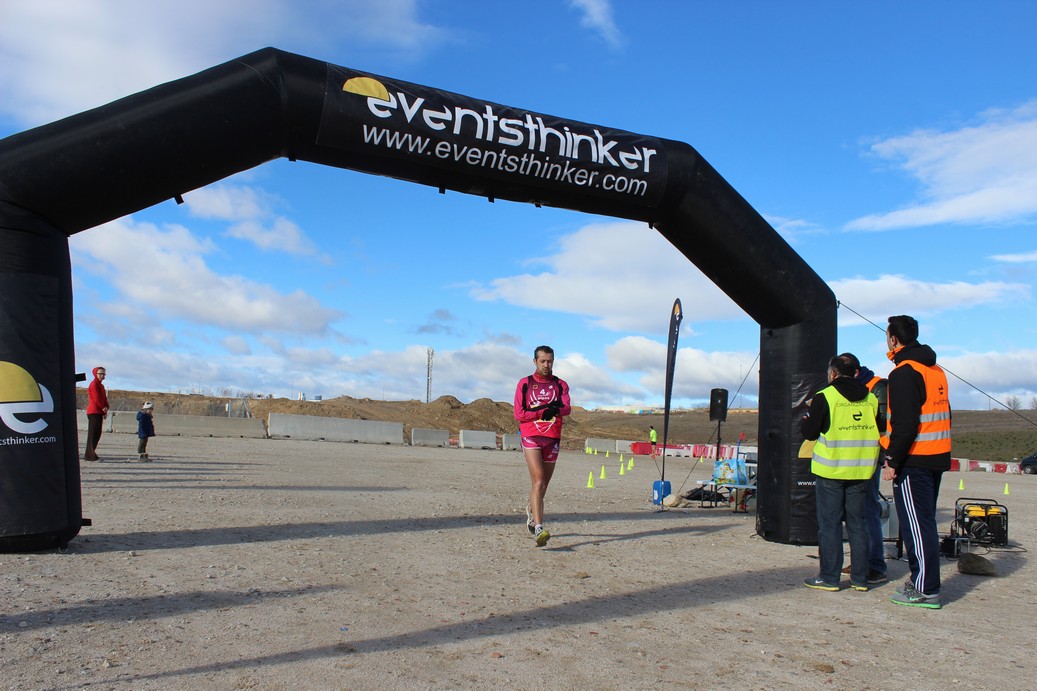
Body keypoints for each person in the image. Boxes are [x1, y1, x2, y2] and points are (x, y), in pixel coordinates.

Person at [881, 315, 951, 609]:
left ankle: (925, 588)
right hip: (936, 456)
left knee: (916, 527)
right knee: (925, 522)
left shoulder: (903, 373)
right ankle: (922, 580)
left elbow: (905, 424)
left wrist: (892, 460)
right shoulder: (935, 370)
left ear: (894, 339)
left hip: (914, 460)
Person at [800, 354, 880, 592]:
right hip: (861, 470)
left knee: (830, 524)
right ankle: (860, 578)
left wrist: (807, 418)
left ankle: (829, 577)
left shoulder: (825, 396)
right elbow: (879, 428)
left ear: (832, 373)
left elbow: (810, 433)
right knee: (858, 524)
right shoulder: (871, 399)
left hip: (831, 470)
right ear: (856, 373)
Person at [514, 345, 571, 547]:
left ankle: (532, 510)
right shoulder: (525, 383)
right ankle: (538, 528)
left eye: (550, 361)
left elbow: (567, 408)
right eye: (543, 361)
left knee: (543, 485)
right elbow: (519, 414)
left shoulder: (560, 384)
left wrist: (555, 410)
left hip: (552, 438)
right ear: (535, 361)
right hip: (531, 436)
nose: (546, 365)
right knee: (538, 480)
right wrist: (542, 411)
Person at [839, 352, 889, 584]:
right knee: (854, 512)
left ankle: (875, 565)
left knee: (868, 510)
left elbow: (882, 424)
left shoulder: (877, 387)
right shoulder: (851, 390)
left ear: (855, 372)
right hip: (850, 457)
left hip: (869, 458)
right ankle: (861, 561)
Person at [84, 366, 109, 461]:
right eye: (100, 374)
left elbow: (104, 399)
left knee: (97, 434)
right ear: (95, 374)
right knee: (93, 434)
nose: (102, 376)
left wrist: (106, 407)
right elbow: (96, 398)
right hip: (94, 412)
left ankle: (90, 454)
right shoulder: (94, 384)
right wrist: (103, 408)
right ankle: (90, 455)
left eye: (104, 374)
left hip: (99, 412)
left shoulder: (101, 386)